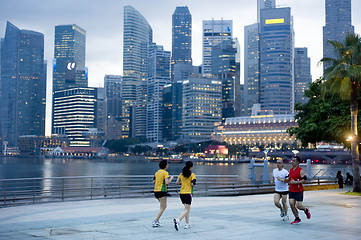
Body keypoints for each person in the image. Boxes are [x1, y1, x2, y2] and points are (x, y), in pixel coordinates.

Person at [284, 156, 311, 225]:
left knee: (298, 206)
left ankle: (305, 210)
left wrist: (296, 182)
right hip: (291, 190)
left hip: (299, 190)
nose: (292, 162)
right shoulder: (290, 170)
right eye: (292, 160)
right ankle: (297, 218)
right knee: (291, 204)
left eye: (294, 161)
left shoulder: (300, 170)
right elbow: (289, 179)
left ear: (297, 162)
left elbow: (305, 180)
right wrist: (285, 180)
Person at [173, 161, 196, 231]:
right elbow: (192, 184)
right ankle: (178, 220)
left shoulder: (181, 174)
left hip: (182, 193)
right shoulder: (192, 175)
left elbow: (177, 182)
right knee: (186, 209)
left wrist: (182, 184)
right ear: (191, 167)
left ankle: (187, 223)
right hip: (188, 193)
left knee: (187, 209)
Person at [152, 160, 174, 227]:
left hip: (156, 191)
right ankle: (155, 221)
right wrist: (171, 179)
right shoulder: (165, 173)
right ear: (166, 166)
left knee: (162, 207)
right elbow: (167, 183)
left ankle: (157, 221)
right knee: (163, 207)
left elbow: (154, 182)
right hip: (162, 191)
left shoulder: (157, 173)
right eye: (167, 164)